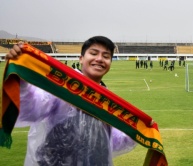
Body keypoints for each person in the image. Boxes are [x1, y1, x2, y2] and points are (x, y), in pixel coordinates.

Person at [6, 36, 137, 166]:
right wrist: (21, 79)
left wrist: (137, 130)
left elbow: (111, 141)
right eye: (93, 53)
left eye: (106, 56)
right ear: (81, 59)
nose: (99, 59)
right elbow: (30, 109)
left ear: (110, 62)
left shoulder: (106, 100)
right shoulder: (61, 86)